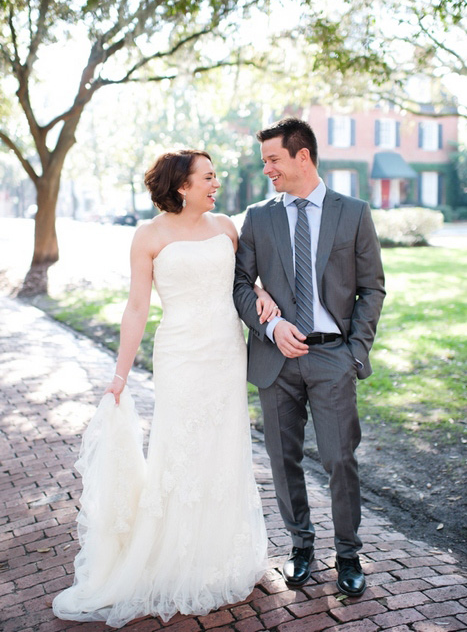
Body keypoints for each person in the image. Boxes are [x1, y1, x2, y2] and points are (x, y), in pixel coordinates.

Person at [53, 149, 279, 628]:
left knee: (224, 447)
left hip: (224, 352)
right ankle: (175, 557)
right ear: (182, 185)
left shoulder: (225, 227)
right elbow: (137, 308)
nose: (216, 184)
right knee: (180, 450)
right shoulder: (148, 236)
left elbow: (243, 283)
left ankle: (221, 552)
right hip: (180, 356)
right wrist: (120, 374)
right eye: (209, 177)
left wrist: (259, 294)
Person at [233, 117, 385, 597]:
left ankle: (348, 554)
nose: (268, 171)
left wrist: (355, 352)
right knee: (283, 459)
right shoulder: (259, 216)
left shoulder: (353, 212)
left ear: (303, 156)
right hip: (275, 361)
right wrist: (271, 325)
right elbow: (237, 285)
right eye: (264, 163)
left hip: (331, 357)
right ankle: (301, 547)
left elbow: (371, 288)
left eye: (274, 160)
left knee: (341, 459)